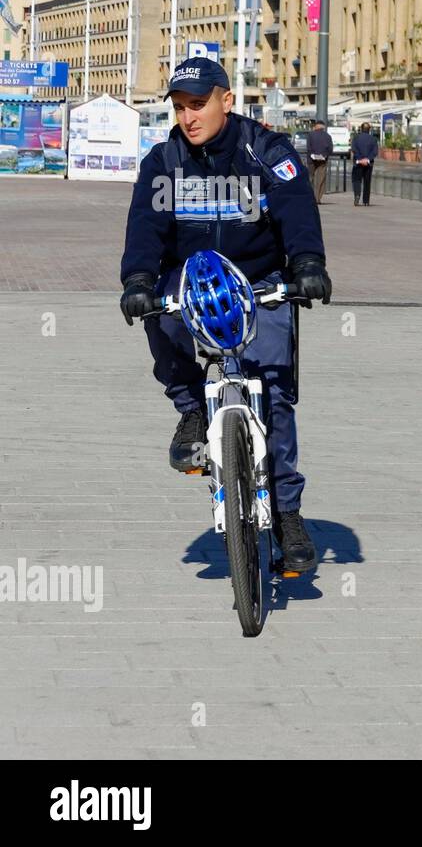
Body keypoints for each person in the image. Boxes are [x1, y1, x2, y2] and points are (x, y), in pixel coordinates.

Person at [118, 57, 333, 574]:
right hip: (190, 280)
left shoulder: (266, 149)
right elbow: (145, 224)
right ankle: (192, 410)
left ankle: (287, 516)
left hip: (260, 283)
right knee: (159, 308)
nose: (188, 117)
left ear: (226, 101)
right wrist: (137, 281)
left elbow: (297, 207)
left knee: (274, 397)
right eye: (180, 107)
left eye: (198, 105)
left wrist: (307, 265)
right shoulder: (163, 159)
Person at [350, 122, 379, 206]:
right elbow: (375, 152)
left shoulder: (356, 138)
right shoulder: (373, 139)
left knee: (356, 180)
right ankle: (366, 201)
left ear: (361, 129)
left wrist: (360, 159)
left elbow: (354, 149)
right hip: (368, 164)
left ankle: (357, 195)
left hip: (358, 163)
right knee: (367, 182)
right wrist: (367, 159)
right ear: (369, 130)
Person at [305, 121, 333, 202]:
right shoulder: (328, 136)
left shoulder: (311, 135)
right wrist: (324, 155)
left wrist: (313, 154)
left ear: (316, 127)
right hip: (323, 160)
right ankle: (317, 198)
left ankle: (309, 197)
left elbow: (308, 148)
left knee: (310, 178)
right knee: (320, 179)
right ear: (323, 127)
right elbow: (330, 150)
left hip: (311, 160)